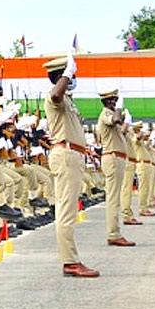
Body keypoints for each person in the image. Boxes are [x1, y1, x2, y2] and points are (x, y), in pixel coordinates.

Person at [43, 53, 99, 278]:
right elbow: (56, 93)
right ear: (61, 76)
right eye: (70, 74)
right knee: (66, 211)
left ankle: (71, 260)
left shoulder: (68, 100)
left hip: (72, 155)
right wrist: (66, 73)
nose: (73, 78)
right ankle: (70, 261)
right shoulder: (54, 96)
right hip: (65, 155)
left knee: (68, 209)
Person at [96, 89, 135, 247]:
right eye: (115, 101)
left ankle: (115, 232)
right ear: (110, 102)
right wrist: (118, 109)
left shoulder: (111, 116)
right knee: (113, 198)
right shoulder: (106, 114)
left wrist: (127, 122)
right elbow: (116, 120)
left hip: (117, 158)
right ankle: (113, 233)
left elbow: (121, 130)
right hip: (111, 158)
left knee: (115, 198)